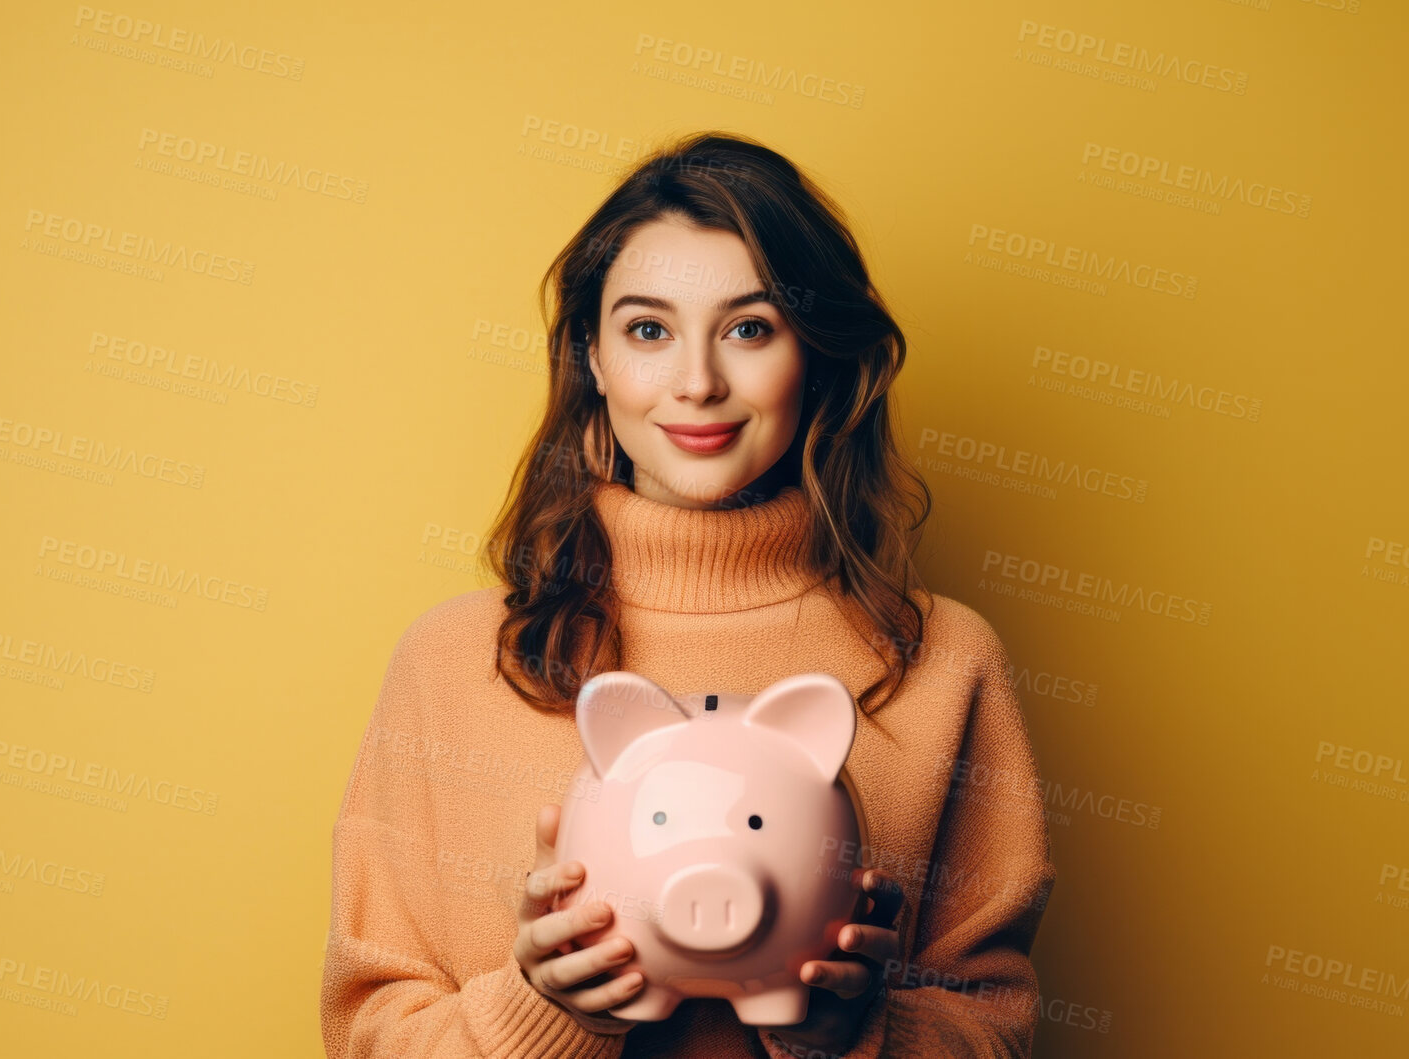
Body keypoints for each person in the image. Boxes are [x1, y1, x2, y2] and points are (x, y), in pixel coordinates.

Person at [320, 131, 1056, 1058]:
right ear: (591, 356)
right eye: (647, 330)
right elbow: (369, 1032)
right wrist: (546, 1012)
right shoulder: (454, 660)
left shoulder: (942, 659)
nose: (698, 383)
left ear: (816, 354)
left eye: (749, 328)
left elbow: (996, 1030)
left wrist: (857, 1032)